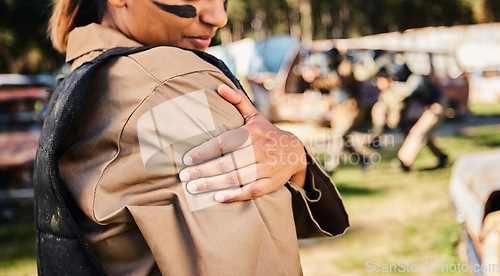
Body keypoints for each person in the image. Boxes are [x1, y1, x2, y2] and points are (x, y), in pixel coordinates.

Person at [41, 0, 349, 275]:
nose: (218, 16)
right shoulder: (173, 86)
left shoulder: (87, 73)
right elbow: (251, 259)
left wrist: (293, 159)